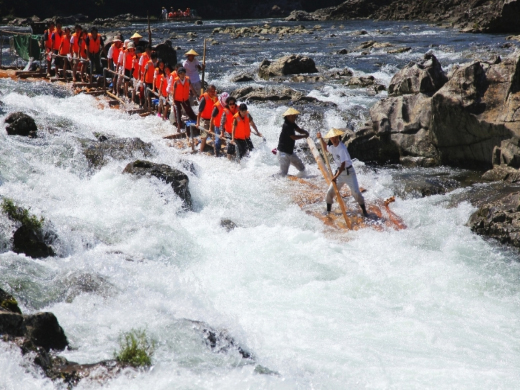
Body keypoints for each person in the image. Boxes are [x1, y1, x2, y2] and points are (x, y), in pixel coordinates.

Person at [317, 128, 368, 217]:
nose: (334, 140)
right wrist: (320, 138)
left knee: (356, 192)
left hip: (348, 172)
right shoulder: (333, 147)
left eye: (335, 138)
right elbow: (326, 148)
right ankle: (328, 211)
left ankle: (364, 211)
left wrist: (335, 176)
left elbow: (343, 165)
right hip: (339, 174)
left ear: (338, 137)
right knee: (330, 192)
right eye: (332, 138)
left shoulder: (342, 148)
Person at [277, 108, 309, 177]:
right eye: (293, 116)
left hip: (290, 152)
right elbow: (293, 137)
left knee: (302, 168)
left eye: (295, 116)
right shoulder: (286, 125)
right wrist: (304, 136)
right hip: (283, 153)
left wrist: (305, 132)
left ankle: (301, 178)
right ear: (288, 116)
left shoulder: (292, 123)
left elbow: (299, 130)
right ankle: (273, 180)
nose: (295, 117)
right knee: (283, 173)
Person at [196, 84, 218, 153]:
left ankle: (216, 152)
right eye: (211, 91)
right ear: (207, 91)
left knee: (215, 136)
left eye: (214, 91)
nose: (213, 92)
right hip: (204, 120)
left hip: (212, 120)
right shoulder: (204, 98)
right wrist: (197, 123)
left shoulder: (216, 98)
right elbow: (199, 112)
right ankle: (201, 151)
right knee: (204, 136)